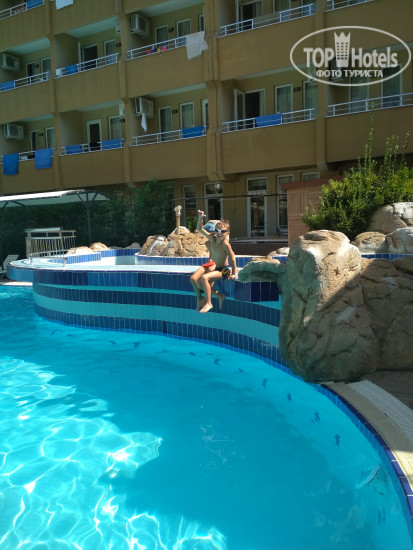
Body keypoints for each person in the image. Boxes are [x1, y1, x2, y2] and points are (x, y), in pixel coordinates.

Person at [190, 210, 237, 313]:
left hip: (224, 271)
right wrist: (200, 218)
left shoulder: (226, 245)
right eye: (217, 230)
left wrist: (233, 273)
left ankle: (209, 303)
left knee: (204, 277)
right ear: (214, 231)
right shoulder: (212, 239)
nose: (219, 233)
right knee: (199, 284)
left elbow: (232, 259)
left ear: (227, 233)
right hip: (217, 269)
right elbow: (200, 229)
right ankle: (219, 296)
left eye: (223, 231)